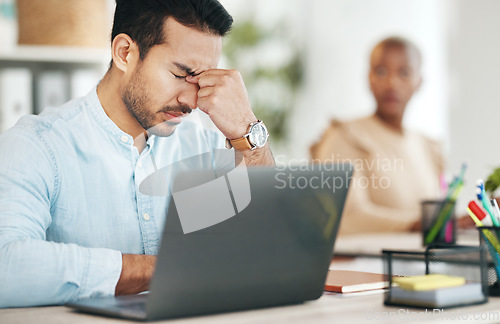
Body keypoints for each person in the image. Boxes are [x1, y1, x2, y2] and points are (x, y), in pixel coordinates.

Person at [0, 0, 274, 308]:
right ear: (125, 53)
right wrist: (163, 269)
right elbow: (6, 266)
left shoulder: (201, 143)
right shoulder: (36, 147)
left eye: (202, 80)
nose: (192, 100)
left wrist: (247, 131)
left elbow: (274, 240)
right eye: (181, 74)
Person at [310, 37, 444, 235]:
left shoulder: (428, 146)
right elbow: (347, 217)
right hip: (367, 264)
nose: (392, 83)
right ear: (369, 78)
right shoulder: (344, 136)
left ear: (419, 82)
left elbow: (441, 217)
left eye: (404, 72)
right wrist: (419, 223)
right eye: (381, 72)